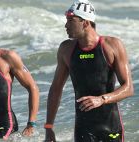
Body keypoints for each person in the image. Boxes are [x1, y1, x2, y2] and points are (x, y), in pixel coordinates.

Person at [44, 0, 134, 141]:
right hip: (83, 129)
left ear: (85, 23)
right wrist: (49, 127)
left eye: (70, 20)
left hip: (111, 126)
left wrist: (102, 99)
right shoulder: (66, 49)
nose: (66, 25)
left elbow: (128, 88)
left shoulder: (112, 45)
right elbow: (56, 89)